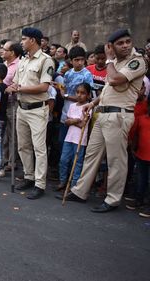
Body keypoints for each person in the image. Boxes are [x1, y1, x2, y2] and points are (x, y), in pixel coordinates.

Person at [59, 29, 147, 212]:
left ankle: (113, 199)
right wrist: (92, 103)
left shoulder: (136, 61)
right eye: (120, 43)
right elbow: (108, 89)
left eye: (127, 42)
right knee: (92, 154)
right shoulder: (114, 62)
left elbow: (115, 80)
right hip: (102, 112)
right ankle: (80, 191)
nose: (125, 45)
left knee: (116, 160)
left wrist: (108, 59)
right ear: (112, 46)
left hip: (119, 115)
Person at [8, 27, 55, 200]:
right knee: (23, 145)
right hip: (21, 108)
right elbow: (15, 83)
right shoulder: (23, 61)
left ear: (33, 40)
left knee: (39, 148)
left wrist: (20, 88)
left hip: (37, 109)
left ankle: (40, 184)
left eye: (24, 39)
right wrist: (11, 88)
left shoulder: (46, 60)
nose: (21, 42)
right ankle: (29, 176)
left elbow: (44, 86)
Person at [57, 83, 91, 190]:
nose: (79, 95)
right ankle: (63, 181)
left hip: (80, 140)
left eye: (83, 93)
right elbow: (66, 121)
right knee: (63, 160)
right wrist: (75, 120)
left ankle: (73, 185)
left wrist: (72, 121)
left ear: (88, 95)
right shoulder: (72, 106)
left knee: (76, 163)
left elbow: (82, 124)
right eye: (78, 92)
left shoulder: (88, 107)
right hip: (69, 138)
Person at [59, 46, 94, 150]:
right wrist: (62, 91)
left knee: (76, 146)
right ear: (71, 60)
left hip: (79, 114)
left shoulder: (87, 75)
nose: (79, 62)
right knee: (62, 142)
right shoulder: (68, 74)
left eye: (82, 59)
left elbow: (87, 97)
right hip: (66, 112)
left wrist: (66, 96)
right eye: (76, 60)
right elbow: (63, 88)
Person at [1, 41, 23, 172]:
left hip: (12, 102)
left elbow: (18, 84)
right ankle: (4, 159)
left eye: (5, 49)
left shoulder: (20, 65)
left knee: (12, 133)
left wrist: (10, 88)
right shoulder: (4, 64)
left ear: (12, 52)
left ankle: (11, 161)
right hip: (1, 102)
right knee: (3, 133)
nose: (2, 51)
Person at [128, 97, 150, 217]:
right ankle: (138, 200)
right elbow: (135, 135)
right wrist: (133, 148)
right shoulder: (142, 119)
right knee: (140, 179)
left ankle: (147, 206)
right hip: (141, 154)